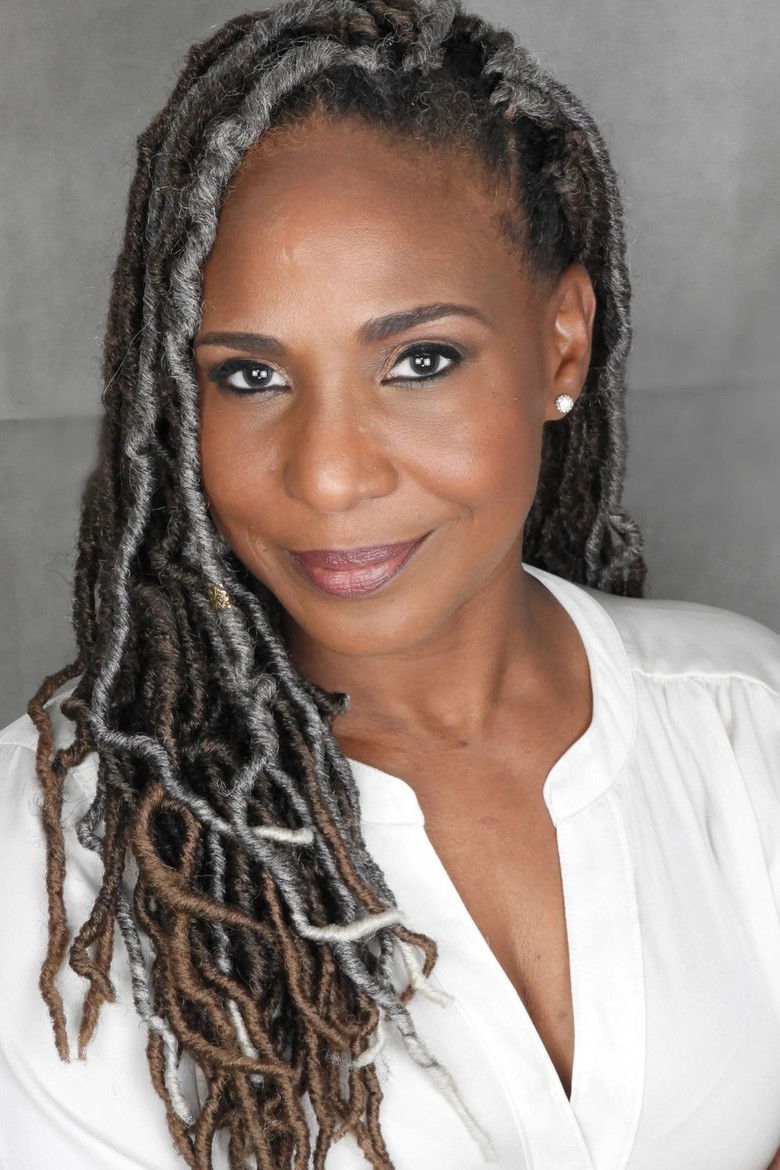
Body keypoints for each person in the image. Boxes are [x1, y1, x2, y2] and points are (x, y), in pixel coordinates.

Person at [1, 0, 779, 1167]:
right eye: (250, 376)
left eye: (419, 360)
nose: (328, 474)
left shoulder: (745, 720)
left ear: (562, 344)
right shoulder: (49, 862)